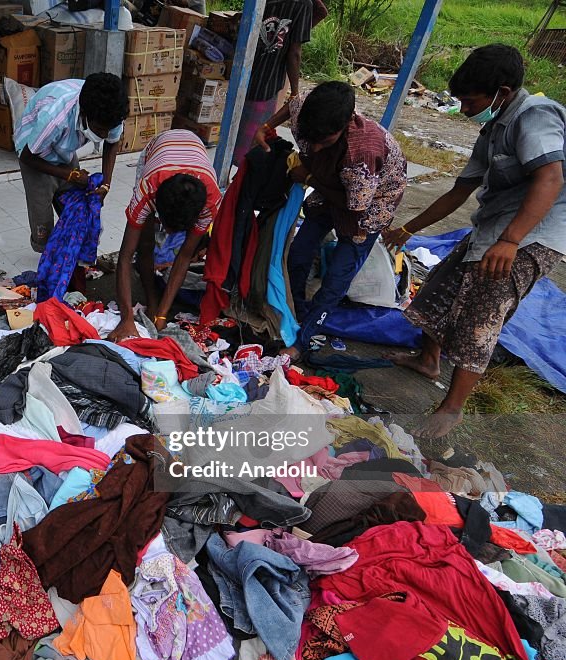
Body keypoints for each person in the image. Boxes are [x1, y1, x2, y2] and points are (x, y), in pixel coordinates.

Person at [382, 45, 566, 438]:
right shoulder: (494, 126)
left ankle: (452, 408)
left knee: (483, 312)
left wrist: (512, 241)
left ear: (501, 91)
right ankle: (428, 360)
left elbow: (550, 178)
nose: (464, 109)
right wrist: (407, 229)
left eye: (470, 101)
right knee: (439, 288)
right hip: (497, 227)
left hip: (534, 234)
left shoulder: (535, 116)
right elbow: (459, 190)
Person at [252, 81, 407, 358]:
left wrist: (310, 178)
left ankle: (303, 339)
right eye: (312, 140)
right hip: (331, 185)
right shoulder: (312, 115)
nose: (316, 147)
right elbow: (294, 103)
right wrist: (267, 126)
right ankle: (295, 311)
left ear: (347, 123)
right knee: (298, 255)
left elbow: (354, 207)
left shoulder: (362, 155)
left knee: (337, 278)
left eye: (325, 141)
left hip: (369, 204)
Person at [108, 129, 222, 341]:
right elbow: (125, 257)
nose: (167, 234)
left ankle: (158, 307)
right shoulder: (147, 189)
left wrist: (163, 314)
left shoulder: (211, 202)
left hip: (194, 149)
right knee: (145, 242)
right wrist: (126, 319)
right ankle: (152, 298)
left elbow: (185, 256)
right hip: (157, 150)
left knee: (181, 251)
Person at [14, 73, 129, 255]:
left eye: (108, 130)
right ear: (83, 114)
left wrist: (106, 183)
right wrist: (69, 175)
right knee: (42, 222)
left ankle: (71, 255)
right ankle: (49, 261)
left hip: (62, 148)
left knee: (77, 209)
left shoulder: (112, 111)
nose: (105, 135)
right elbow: (27, 157)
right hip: (32, 151)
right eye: (100, 130)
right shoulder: (54, 118)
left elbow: (112, 142)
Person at [232, 0, 313, 163]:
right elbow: (294, 53)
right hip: (264, 83)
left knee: (232, 137)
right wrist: (295, 92)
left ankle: (227, 180)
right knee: (250, 149)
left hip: (240, 77)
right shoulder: (303, 5)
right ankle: (234, 182)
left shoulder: (303, 5)